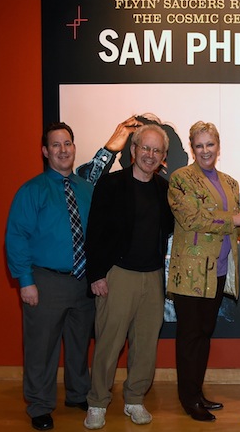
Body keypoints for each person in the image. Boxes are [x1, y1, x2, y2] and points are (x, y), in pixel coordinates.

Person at [166, 121, 240, 422]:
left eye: (209, 145)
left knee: (203, 334)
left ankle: (196, 392)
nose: (204, 151)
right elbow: (191, 219)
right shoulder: (181, 179)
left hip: (219, 270)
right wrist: (236, 218)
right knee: (189, 336)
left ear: (218, 146)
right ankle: (189, 400)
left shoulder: (229, 183)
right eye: (198, 145)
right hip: (190, 272)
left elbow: (234, 229)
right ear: (192, 147)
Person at [82, 124, 174, 429]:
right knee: (108, 344)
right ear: (133, 150)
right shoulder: (110, 185)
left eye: (156, 150)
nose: (149, 155)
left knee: (146, 346)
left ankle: (134, 399)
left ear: (163, 157)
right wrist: (96, 274)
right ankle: (97, 403)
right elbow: (93, 232)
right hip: (118, 275)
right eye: (144, 148)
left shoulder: (165, 189)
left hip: (153, 278)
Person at [5, 122, 95, 431]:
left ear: (74, 147)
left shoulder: (87, 189)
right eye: (55, 145)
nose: (63, 150)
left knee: (79, 343)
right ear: (46, 151)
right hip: (45, 281)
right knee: (41, 347)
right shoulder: (32, 190)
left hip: (83, 281)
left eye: (67, 143)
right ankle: (40, 405)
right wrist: (25, 281)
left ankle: (77, 393)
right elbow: (16, 237)